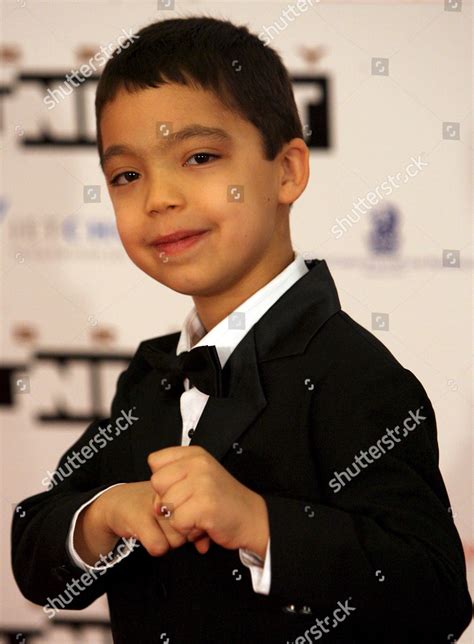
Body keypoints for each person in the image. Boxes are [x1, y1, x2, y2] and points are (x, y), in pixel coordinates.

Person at [11, 15, 472, 644]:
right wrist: (105, 513)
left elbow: (436, 597)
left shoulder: (356, 376)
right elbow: (36, 546)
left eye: (199, 158)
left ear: (287, 171)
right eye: (127, 175)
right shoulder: (152, 374)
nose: (159, 197)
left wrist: (260, 523)